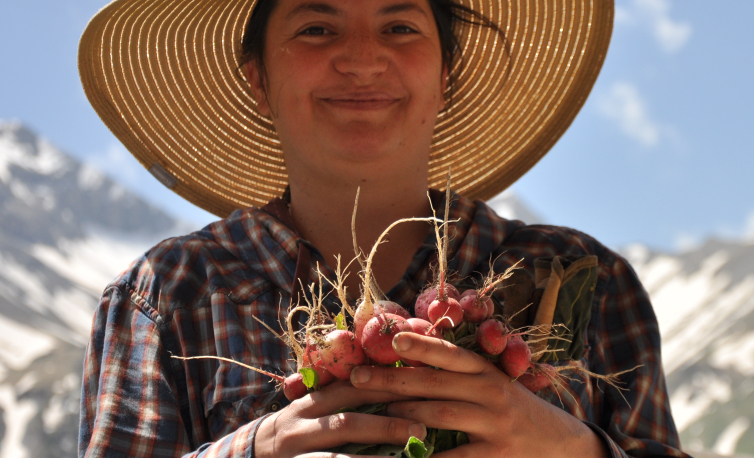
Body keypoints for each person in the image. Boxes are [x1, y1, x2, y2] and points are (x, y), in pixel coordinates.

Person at [76, 0, 687, 456]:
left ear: (446, 73)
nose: (363, 58)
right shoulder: (167, 295)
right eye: (318, 28)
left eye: (400, 27)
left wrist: (574, 449)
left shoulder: (584, 278)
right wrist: (256, 448)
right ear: (257, 79)